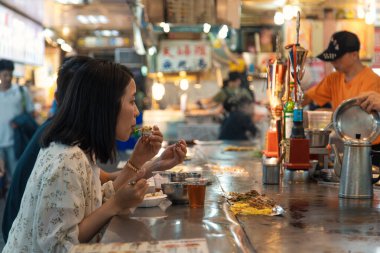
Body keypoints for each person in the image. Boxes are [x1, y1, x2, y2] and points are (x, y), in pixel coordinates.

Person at [3, 59, 187, 252]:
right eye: (132, 101)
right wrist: (116, 204)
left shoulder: (79, 148)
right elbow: (58, 247)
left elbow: (93, 204)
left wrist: (148, 163)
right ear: (106, 106)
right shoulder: (67, 160)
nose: (137, 111)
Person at [303, 31, 380, 110]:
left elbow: (362, 117)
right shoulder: (333, 78)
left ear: (354, 55)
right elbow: (308, 97)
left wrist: (332, 114)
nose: (333, 62)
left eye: (337, 58)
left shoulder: (372, 81)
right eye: (331, 59)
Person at [0, 59, 35, 182]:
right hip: (0, 142)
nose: (8, 78)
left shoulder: (21, 91)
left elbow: (31, 113)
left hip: (16, 142)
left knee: (16, 177)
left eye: (10, 74)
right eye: (5, 75)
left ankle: (14, 200)